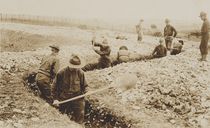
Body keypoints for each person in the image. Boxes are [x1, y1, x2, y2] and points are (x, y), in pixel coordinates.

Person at [52, 54, 88, 124]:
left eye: (76, 67)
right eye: (73, 67)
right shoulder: (61, 73)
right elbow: (54, 87)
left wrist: (87, 91)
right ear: (69, 64)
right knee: (63, 116)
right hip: (64, 98)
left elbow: (85, 86)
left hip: (77, 97)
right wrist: (55, 99)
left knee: (80, 115)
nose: (75, 68)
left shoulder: (80, 72)